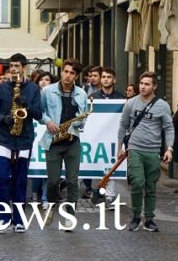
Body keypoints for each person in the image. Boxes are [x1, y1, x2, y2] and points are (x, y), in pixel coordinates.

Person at [0, 53, 42, 233]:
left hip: (24, 139)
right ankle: (3, 218)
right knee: (1, 177)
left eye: (17, 66)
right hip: (4, 138)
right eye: (11, 66)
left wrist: (27, 106)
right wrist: (3, 118)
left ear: (24, 68)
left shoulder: (33, 88)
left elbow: (39, 114)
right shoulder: (1, 88)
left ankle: (18, 220)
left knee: (20, 182)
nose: (13, 69)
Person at [117, 71, 174, 232]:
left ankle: (149, 218)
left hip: (153, 151)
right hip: (135, 149)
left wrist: (169, 148)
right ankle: (136, 216)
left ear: (154, 86)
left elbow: (169, 128)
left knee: (150, 186)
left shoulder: (162, 106)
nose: (142, 87)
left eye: (147, 84)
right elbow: (123, 125)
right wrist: (119, 147)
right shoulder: (131, 103)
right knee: (137, 182)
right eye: (141, 83)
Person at [39, 59, 88, 230]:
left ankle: (70, 216)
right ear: (62, 72)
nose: (68, 76)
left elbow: (83, 120)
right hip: (53, 140)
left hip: (72, 141)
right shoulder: (47, 90)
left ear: (76, 76)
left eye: (72, 73)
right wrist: (48, 121)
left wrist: (77, 122)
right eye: (66, 71)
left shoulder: (81, 93)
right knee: (53, 181)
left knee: (73, 181)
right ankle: (51, 207)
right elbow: (40, 112)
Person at [86, 67, 125, 209]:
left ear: (114, 80)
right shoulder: (92, 98)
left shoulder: (121, 98)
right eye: (104, 77)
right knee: (95, 165)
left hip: (114, 138)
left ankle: (110, 196)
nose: (106, 79)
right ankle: (97, 192)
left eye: (109, 77)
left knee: (111, 167)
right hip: (96, 137)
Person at [31, 71, 58, 210]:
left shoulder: (53, 96)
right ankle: (35, 192)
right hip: (35, 133)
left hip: (49, 132)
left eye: (46, 79)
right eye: (41, 79)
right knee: (37, 166)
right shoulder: (33, 95)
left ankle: (46, 197)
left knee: (48, 168)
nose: (43, 82)